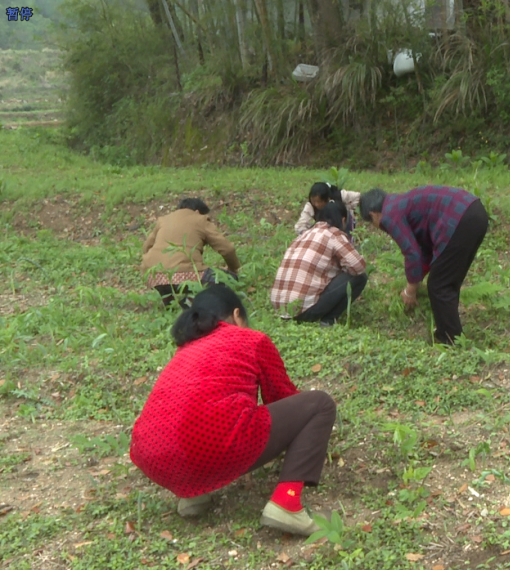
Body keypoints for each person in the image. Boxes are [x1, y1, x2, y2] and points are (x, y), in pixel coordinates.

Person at [130, 284, 337, 536]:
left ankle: (193, 496)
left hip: (151, 456)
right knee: (320, 405)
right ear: (237, 315)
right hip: (209, 443)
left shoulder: (185, 349)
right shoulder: (251, 338)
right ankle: (287, 502)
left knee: (204, 419)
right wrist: (309, 439)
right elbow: (281, 397)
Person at [359, 186, 489, 345]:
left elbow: (412, 253)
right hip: (475, 211)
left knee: (439, 286)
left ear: (373, 214)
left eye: (372, 223)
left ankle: (451, 340)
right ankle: (448, 332)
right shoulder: (401, 203)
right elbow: (425, 252)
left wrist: (410, 290)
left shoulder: (389, 215)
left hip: (457, 219)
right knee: (446, 280)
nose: (378, 227)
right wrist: (418, 277)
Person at [272, 200, 368, 326]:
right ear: (343, 220)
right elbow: (358, 266)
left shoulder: (304, 234)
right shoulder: (334, 234)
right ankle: (328, 320)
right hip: (304, 311)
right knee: (360, 277)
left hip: (279, 308)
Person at [141, 198, 241, 308]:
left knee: (169, 281)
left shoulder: (163, 220)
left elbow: (146, 247)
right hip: (185, 275)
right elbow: (227, 249)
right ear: (198, 211)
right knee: (228, 279)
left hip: (153, 276)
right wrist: (233, 269)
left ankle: (170, 303)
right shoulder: (199, 219)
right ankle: (189, 303)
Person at [294, 182, 360, 237]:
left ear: (327, 199)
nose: (316, 204)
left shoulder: (339, 195)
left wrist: (348, 209)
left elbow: (358, 197)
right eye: (314, 201)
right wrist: (308, 234)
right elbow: (300, 225)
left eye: (319, 201)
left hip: (343, 224)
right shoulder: (310, 206)